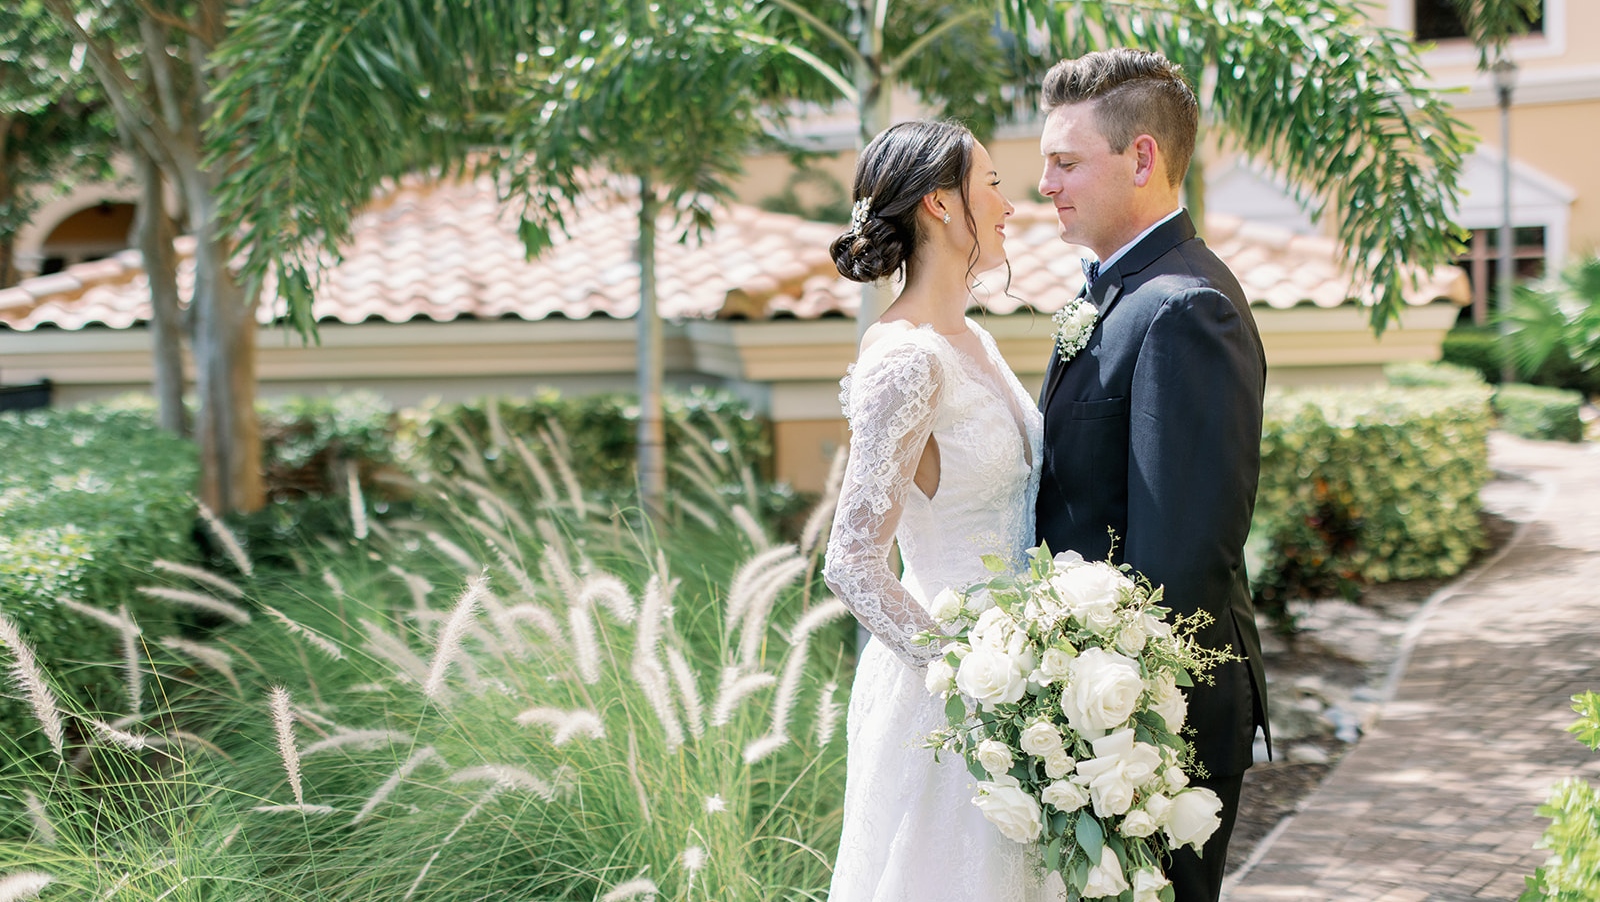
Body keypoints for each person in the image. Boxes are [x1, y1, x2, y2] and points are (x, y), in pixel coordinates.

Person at [1032, 48, 1270, 902]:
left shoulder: (1182, 306)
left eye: (1065, 162)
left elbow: (1182, 553)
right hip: (1096, 713)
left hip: (1150, 727)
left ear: (1141, 158)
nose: (1046, 185)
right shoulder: (1116, 293)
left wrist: (1116, 729)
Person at [821, 119, 1055, 902]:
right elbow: (850, 562)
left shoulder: (974, 342)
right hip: (955, 702)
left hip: (1033, 677)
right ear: (940, 206)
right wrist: (966, 673)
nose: (1008, 204)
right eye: (990, 182)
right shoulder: (905, 359)